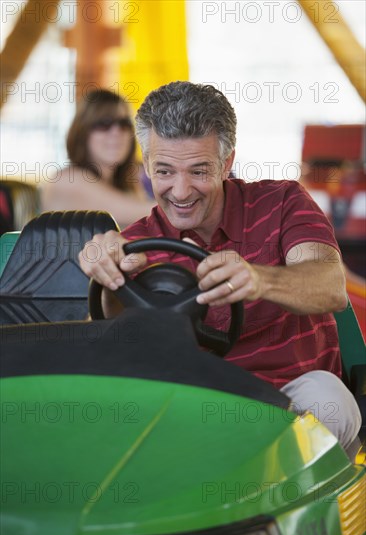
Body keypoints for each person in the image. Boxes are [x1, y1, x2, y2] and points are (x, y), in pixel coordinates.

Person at [79, 81, 361, 456]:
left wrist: (259, 278)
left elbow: (330, 286)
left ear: (226, 163)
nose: (180, 191)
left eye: (198, 171)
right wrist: (108, 279)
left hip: (292, 398)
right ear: (146, 165)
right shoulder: (136, 244)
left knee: (330, 401)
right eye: (164, 171)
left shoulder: (282, 202)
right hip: (194, 408)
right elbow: (105, 354)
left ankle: (272, 501)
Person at [41, 89, 155, 227]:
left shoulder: (127, 181)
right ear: (83, 132)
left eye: (124, 123)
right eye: (104, 123)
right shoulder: (66, 180)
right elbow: (142, 213)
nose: (116, 132)